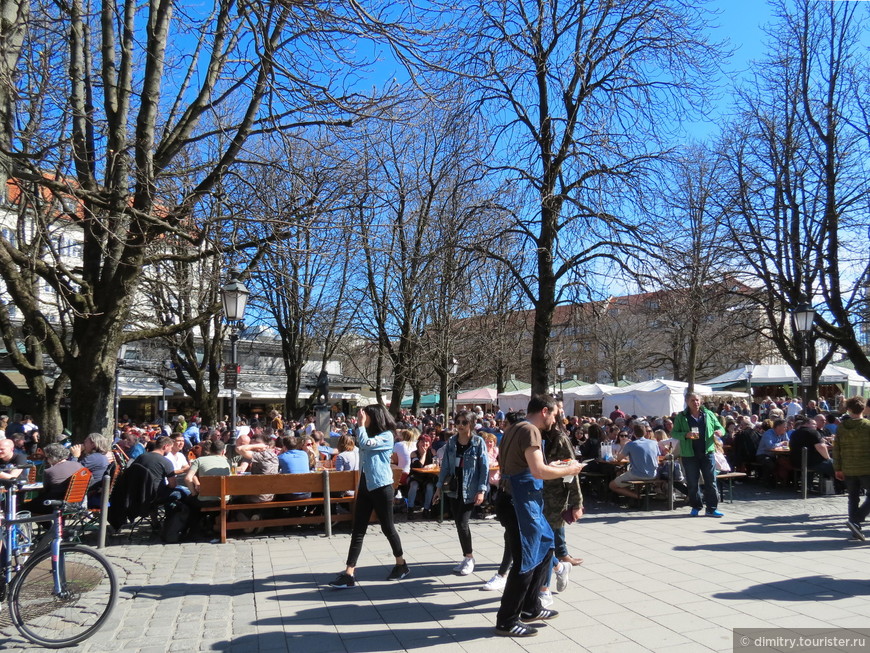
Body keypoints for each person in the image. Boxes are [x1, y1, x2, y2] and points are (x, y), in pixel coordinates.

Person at [494, 394, 580, 638]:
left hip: (520, 500)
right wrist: (569, 469)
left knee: (546, 546)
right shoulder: (531, 431)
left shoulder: (515, 427)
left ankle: (531, 607)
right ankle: (507, 619)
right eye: (554, 414)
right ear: (544, 411)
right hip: (518, 503)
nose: (555, 419)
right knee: (525, 560)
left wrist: (560, 467)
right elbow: (538, 471)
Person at [328, 405, 408, 589]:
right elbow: (361, 445)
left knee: (388, 528)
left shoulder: (387, 436)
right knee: (358, 530)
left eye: (366, 415)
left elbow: (363, 444)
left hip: (381, 487)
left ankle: (401, 564)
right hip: (365, 486)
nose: (362, 417)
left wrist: (361, 424)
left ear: (375, 417)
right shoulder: (369, 435)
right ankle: (349, 572)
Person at [433, 410, 489, 575]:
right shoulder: (451, 442)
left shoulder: (478, 442)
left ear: (471, 424)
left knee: (463, 523)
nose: (460, 425)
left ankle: (470, 557)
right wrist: (438, 488)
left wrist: (481, 490)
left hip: (469, 488)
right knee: (458, 523)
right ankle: (466, 556)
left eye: (464, 422)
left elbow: (484, 469)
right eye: (458, 422)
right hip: (453, 487)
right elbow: (444, 467)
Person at [671, 392, 724, 517]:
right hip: (689, 455)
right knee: (692, 483)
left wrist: (720, 432)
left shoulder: (709, 414)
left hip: (707, 453)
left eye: (697, 400)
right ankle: (696, 506)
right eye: (692, 400)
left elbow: (721, 427)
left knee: (711, 482)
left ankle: (711, 508)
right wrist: (685, 434)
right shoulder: (681, 417)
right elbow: (674, 433)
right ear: (687, 402)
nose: (696, 403)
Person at [833, 397, 870, 541]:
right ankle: (857, 520)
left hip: (848, 467)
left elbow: (836, 449)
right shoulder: (867, 425)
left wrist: (837, 468)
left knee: (852, 498)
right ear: (863, 408)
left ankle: (854, 527)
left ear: (848, 409)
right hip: (866, 467)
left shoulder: (841, 427)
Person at [609, 429, 660, 501]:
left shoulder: (630, 444)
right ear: (645, 433)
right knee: (630, 474)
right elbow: (657, 460)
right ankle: (636, 497)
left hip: (637, 474)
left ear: (634, 434)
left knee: (612, 485)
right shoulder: (654, 443)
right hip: (653, 474)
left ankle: (638, 497)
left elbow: (619, 459)